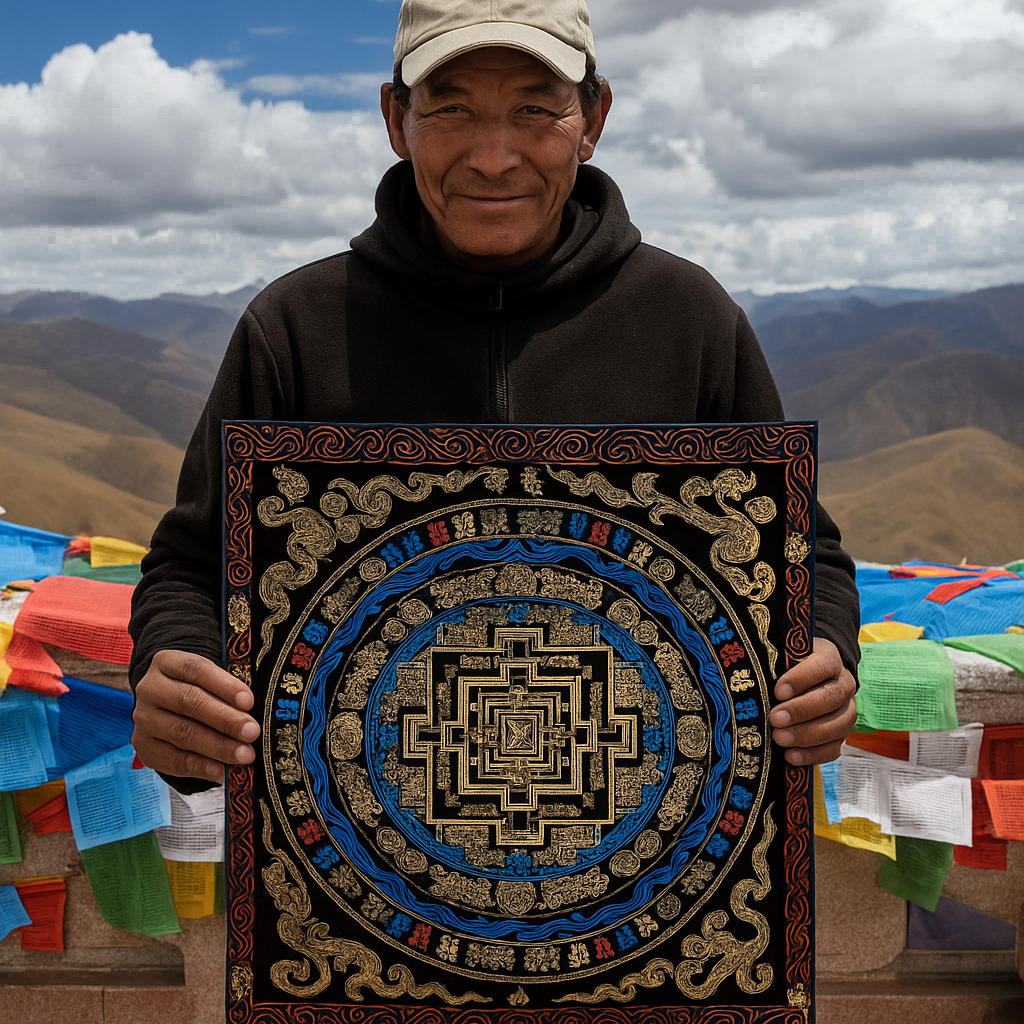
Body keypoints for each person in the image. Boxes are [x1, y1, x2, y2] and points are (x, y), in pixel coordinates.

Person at [129, 0, 858, 794]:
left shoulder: (690, 319)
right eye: (451, 109)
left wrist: (822, 651)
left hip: (648, 870)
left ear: (593, 118)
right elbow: (192, 567)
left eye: (535, 110)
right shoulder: (298, 328)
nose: (494, 156)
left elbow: (801, 554)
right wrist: (180, 668)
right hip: (362, 869)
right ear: (396, 120)